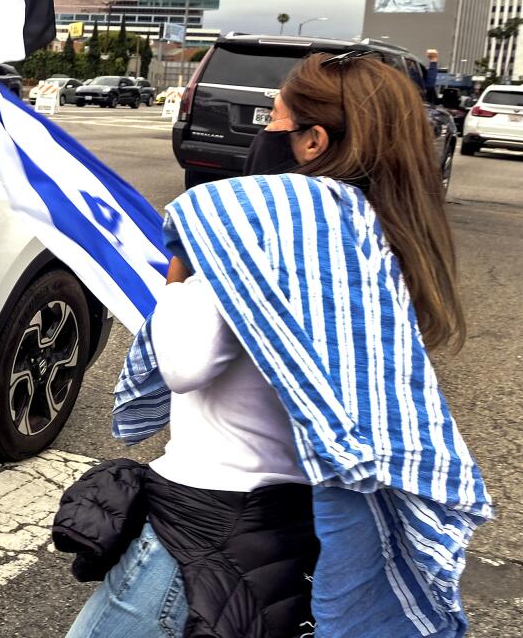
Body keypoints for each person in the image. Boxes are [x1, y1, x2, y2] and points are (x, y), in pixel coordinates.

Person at [56, 49, 491, 638]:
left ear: (312, 141)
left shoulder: (268, 223)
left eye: (272, 122)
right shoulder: (383, 234)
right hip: (298, 522)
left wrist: (182, 271)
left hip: (202, 531)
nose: (262, 134)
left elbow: (184, 364)